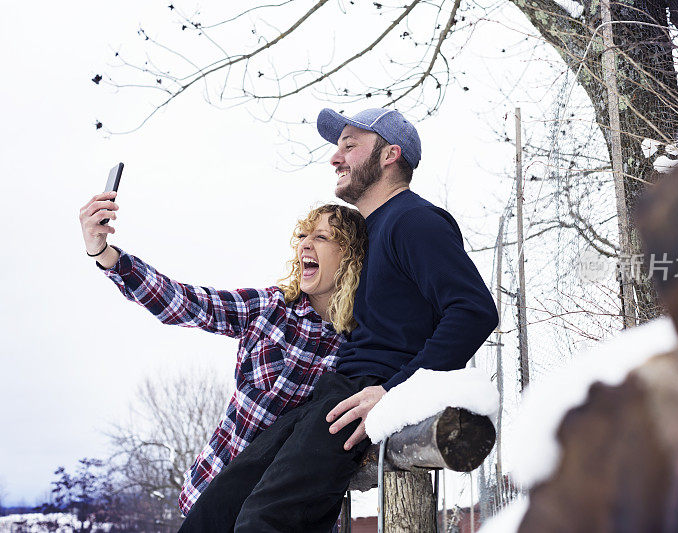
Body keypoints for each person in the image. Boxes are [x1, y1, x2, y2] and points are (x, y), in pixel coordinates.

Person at [179, 108, 499, 532]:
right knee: (214, 509)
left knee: (264, 520)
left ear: (389, 155)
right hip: (332, 393)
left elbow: (474, 310)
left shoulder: (414, 221)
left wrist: (394, 392)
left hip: (361, 394)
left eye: (350, 145)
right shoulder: (371, 233)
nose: (335, 157)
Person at [78, 195, 367, 515]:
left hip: (277, 514)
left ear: (349, 257)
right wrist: (106, 254)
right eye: (303, 235)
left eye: (322, 237)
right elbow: (184, 302)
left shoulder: (356, 345)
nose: (305, 245)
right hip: (210, 497)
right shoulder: (268, 309)